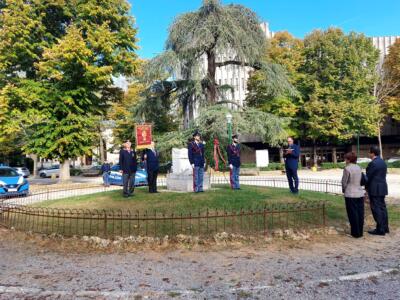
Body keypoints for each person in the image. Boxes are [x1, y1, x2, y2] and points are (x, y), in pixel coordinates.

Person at [366, 146, 389, 235]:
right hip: (382, 187)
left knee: (376, 208)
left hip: (375, 189)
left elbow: (368, 177)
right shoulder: (383, 162)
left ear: (373, 153)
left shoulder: (373, 163)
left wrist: (366, 187)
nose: (368, 154)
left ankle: (380, 229)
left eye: (369, 152)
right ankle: (385, 227)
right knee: (383, 208)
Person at [341, 152, 365, 238]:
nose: (345, 160)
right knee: (360, 213)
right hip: (360, 193)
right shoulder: (359, 167)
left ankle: (355, 233)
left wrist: (344, 190)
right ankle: (360, 232)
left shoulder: (347, 169)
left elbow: (344, 182)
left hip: (350, 194)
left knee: (352, 213)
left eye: (346, 159)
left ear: (349, 159)